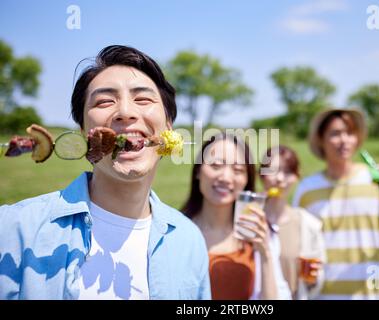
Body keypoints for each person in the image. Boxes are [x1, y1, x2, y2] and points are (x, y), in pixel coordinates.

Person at [0, 45, 211, 300]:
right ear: (82, 134)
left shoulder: (189, 240)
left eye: (143, 99)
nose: (125, 112)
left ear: (168, 127)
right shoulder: (12, 230)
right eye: (104, 101)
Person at [292, 108, 379, 300]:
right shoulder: (307, 189)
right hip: (324, 294)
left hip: (374, 290)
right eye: (335, 134)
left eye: (350, 133)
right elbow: (298, 244)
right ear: (320, 139)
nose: (344, 140)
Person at [181, 132, 291, 300]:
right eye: (216, 165)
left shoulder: (259, 233)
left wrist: (266, 253)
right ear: (198, 171)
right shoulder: (174, 232)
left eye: (238, 170)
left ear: (247, 180)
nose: (226, 177)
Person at [259, 145, 326, 300]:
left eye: (288, 172)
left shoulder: (308, 225)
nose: (280, 179)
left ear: (297, 177)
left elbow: (316, 282)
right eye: (273, 171)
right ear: (261, 175)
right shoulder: (248, 218)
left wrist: (313, 277)